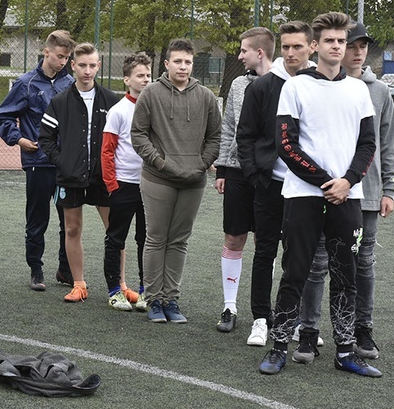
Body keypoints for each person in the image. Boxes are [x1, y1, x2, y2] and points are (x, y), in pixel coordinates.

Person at [258, 11, 381, 377]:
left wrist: (348, 181)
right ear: (316, 45)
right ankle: (279, 346)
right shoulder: (296, 86)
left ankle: (345, 352)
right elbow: (286, 144)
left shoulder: (358, 90)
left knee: (347, 277)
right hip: (304, 197)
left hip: (348, 197)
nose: (337, 47)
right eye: (329, 41)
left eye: (341, 41)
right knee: (295, 272)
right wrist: (327, 181)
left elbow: (368, 143)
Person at [295, 22, 394, 363]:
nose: (355, 51)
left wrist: (389, 189)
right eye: (348, 44)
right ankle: (308, 331)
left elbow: (384, 145)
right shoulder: (313, 86)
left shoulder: (378, 90)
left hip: (364, 195)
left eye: (360, 45)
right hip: (323, 192)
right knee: (317, 264)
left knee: (363, 264)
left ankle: (360, 329)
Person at [131, 38, 221, 324]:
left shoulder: (206, 96)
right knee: (156, 239)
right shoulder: (151, 94)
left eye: (188, 62)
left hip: (194, 181)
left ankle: (171, 299)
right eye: (178, 61)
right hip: (158, 179)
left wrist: (202, 164)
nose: (183, 66)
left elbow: (215, 137)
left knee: (179, 241)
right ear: (167, 64)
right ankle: (154, 299)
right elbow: (139, 135)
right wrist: (160, 162)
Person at [236, 21, 315, 346]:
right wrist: (257, 175)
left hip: (307, 189)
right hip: (270, 185)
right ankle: (260, 318)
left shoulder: (319, 85)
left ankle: (293, 320)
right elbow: (246, 136)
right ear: (279, 49)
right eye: (286, 47)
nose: (292, 52)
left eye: (298, 46)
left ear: (311, 47)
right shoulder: (262, 86)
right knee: (264, 251)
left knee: (298, 256)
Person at [39, 42, 120, 303]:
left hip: (103, 177)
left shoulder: (111, 100)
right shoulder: (60, 101)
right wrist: (62, 161)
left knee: (114, 230)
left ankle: (119, 285)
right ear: (73, 66)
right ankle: (78, 284)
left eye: (92, 65)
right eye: (82, 65)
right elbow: (45, 138)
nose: (87, 71)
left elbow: (124, 137)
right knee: (72, 229)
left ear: (99, 66)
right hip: (71, 177)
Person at [0, 30, 76, 291]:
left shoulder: (71, 84)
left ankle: (65, 270)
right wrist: (19, 140)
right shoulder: (26, 83)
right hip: (38, 162)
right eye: (60, 56)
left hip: (65, 164)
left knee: (69, 220)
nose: (63, 62)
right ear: (46, 52)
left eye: (67, 57)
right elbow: (4, 117)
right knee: (37, 218)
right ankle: (36, 269)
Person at [213, 27, 274, 332]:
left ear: (259, 52)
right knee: (234, 238)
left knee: (267, 243)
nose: (239, 56)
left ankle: (265, 312)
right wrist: (223, 169)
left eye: (243, 50)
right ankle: (229, 307)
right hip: (237, 173)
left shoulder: (285, 83)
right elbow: (228, 128)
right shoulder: (238, 84)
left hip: (270, 175)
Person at [101, 53, 151, 312]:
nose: (145, 80)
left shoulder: (154, 108)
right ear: (127, 80)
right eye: (140, 75)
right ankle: (114, 290)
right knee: (116, 238)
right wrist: (112, 185)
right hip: (123, 185)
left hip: (151, 187)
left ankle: (145, 291)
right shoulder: (118, 110)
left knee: (146, 239)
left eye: (148, 75)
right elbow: (107, 150)